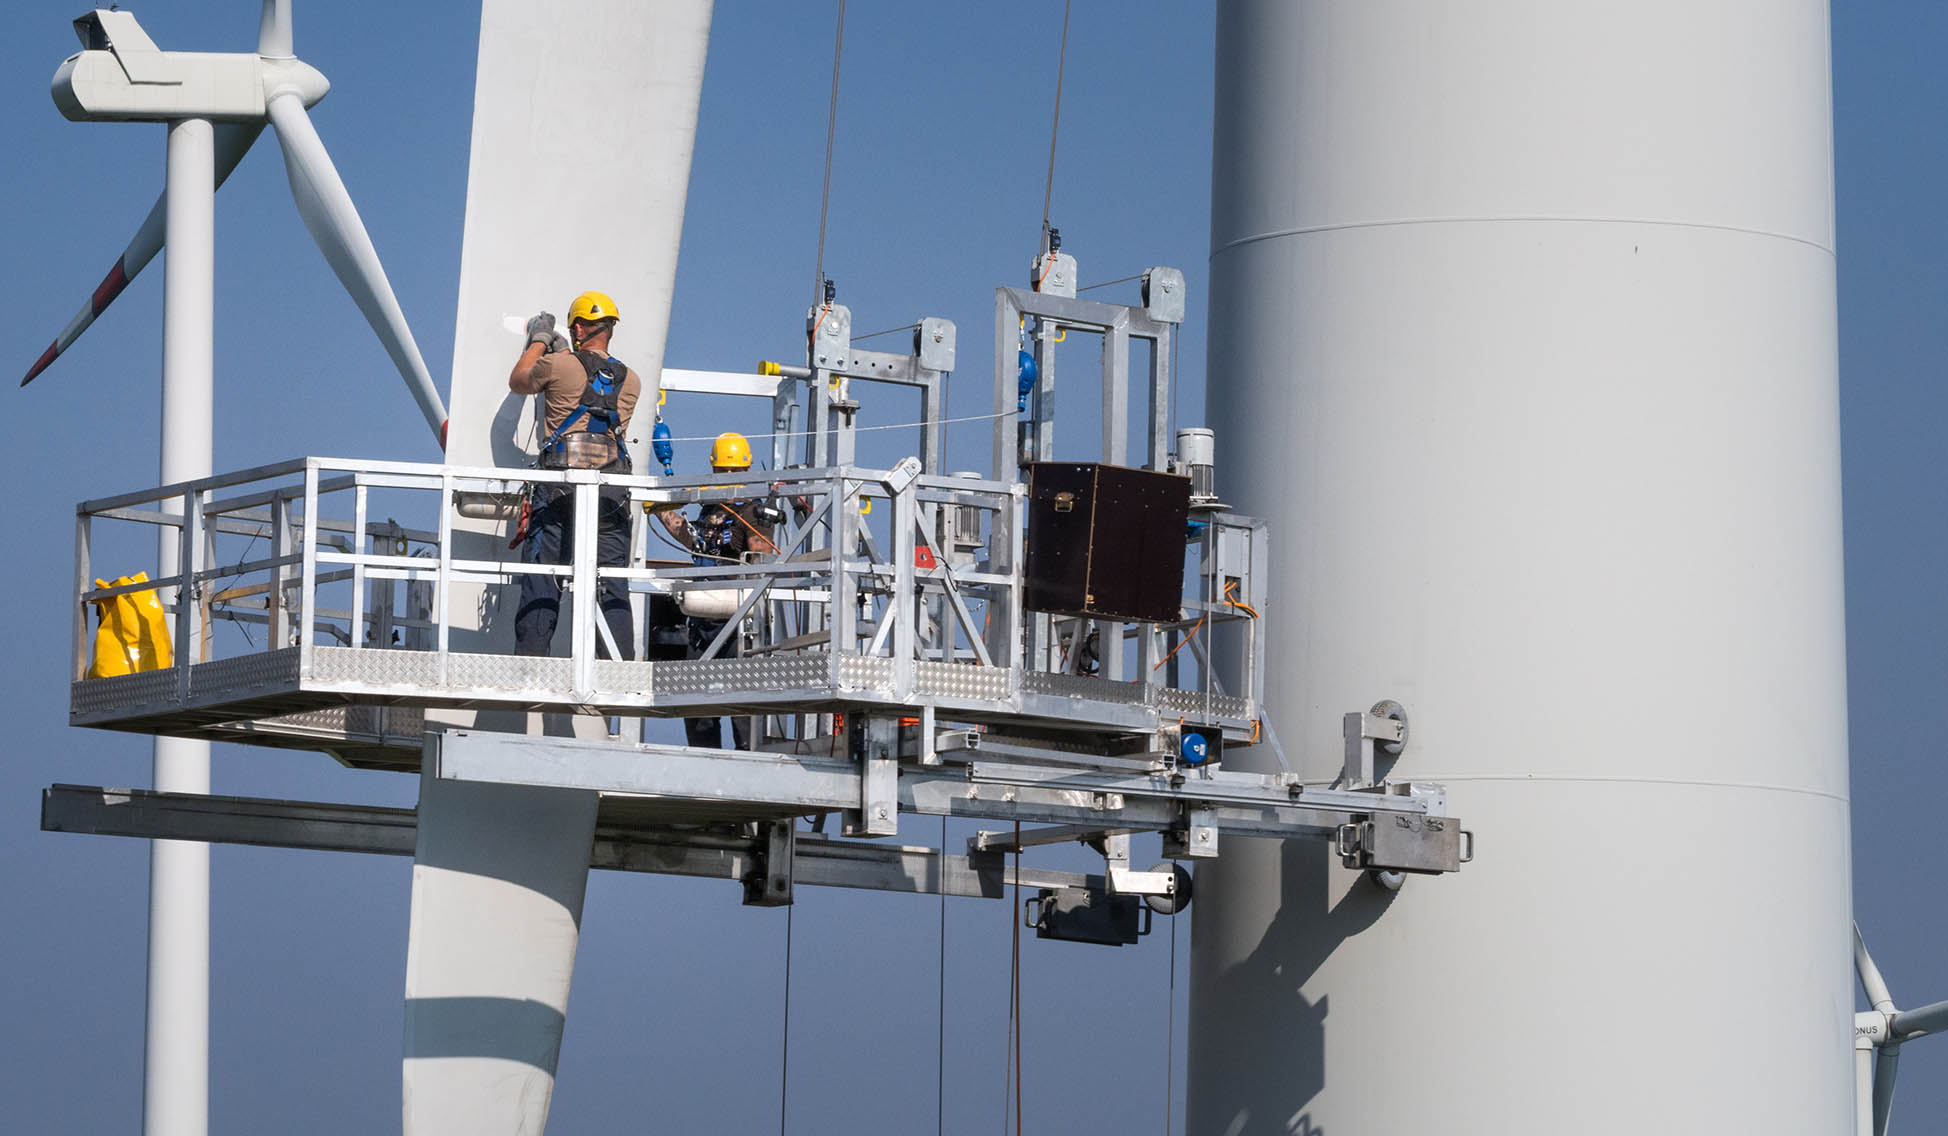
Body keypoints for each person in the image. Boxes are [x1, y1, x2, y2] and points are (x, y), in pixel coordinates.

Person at [508, 290, 642, 660]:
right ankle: (616, 668)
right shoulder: (632, 380)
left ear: (579, 326)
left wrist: (540, 338)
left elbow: (519, 380)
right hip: (610, 495)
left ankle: (530, 665)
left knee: (544, 576)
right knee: (612, 582)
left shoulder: (560, 365)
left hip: (559, 489)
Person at [655, 431, 777, 749]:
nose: (730, 477)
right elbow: (694, 540)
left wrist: (761, 525)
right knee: (698, 707)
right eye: (724, 471)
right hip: (703, 619)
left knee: (741, 706)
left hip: (738, 622)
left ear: (748, 470)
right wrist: (662, 509)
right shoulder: (709, 508)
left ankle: (749, 766)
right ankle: (703, 763)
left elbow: (761, 561)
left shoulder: (753, 511)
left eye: (736, 471)